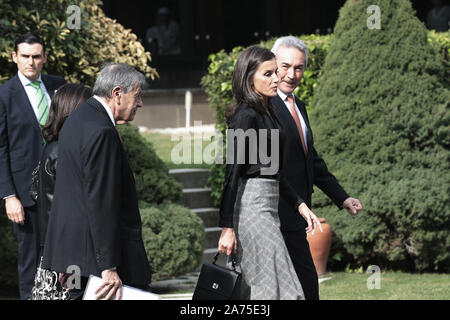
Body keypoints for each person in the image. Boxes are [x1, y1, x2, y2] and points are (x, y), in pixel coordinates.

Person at [217, 45, 322, 300]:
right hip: (252, 210)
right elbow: (232, 174)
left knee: (270, 289)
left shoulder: (268, 113)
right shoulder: (245, 116)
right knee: (282, 290)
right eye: (268, 74)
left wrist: (299, 204)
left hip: (269, 207)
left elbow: (273, 170)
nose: (277, 79)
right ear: (248, 78)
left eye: (276, 72)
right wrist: (227, 227)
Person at [42, 63, 152, 300]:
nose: (140, 104)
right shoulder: (101, 130)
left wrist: (68, 259)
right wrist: (108, 266)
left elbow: (72, 194)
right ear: (117, 94)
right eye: (137, 96)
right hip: (98, 262)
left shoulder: (78, 118)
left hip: (77, 255)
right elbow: (102, 200)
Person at [270, 36, 363, 300]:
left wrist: (342, 197)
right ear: (272, 65)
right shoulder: (263, 107)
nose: (291, 74)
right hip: (274, 215)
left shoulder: (298, 106)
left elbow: (311, 160)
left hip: (297, 218)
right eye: (285, 66)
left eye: (298, 68)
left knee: (306, 289)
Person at [0, 32, 66, 299]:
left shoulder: (58, 86)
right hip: (24, 194)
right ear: (14, 57)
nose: (31, 62)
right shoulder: (4, 95)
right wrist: (8, 196)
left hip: (62, 189)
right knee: (30, 258)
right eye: (25, 56)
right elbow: (0, 148)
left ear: (44, 58)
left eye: (36, 56)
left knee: (63, 253)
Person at [29, 83, 92, 300]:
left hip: (55, 249)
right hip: (67, 253)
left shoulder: (53, 147)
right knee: (72, 295)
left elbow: (35, 192)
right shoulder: (64, 152)